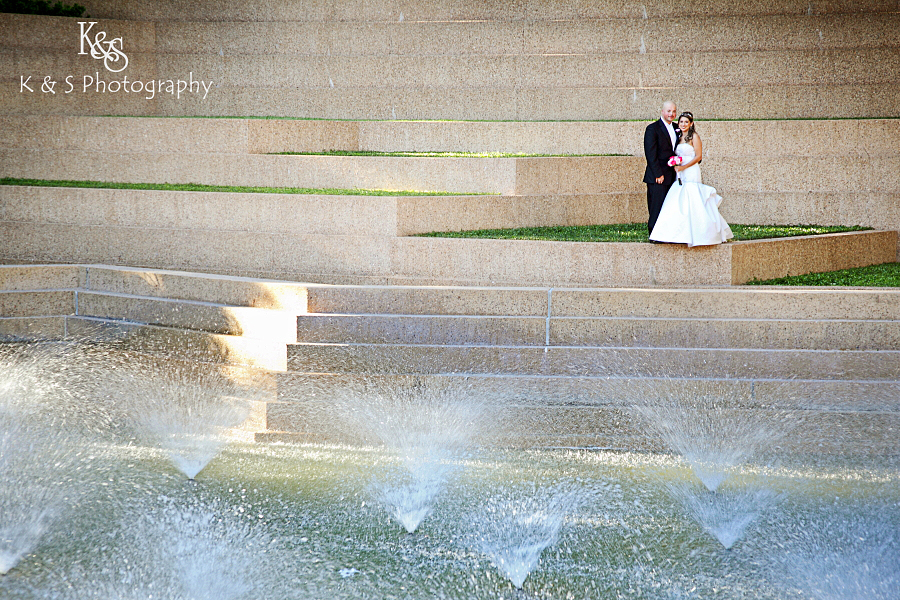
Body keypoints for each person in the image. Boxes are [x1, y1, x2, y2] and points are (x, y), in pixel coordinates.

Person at [649, 112, 733, 246]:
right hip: (680, 172)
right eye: (681, 122)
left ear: (691, 123)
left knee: (692, 198)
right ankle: (678, 232)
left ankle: (701, 233)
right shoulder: (678, 136)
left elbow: (698, 157)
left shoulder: (694, 136)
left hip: (691, 171)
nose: (683, 124)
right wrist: (676, 164)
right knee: (679, 199)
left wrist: (684, 167)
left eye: (686, 122)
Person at [643, 101, 680, 236]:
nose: (672, 114)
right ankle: (654, 235)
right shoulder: (652, 129)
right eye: (669, 111)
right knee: (656, 207)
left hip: (673, 176)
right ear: (662, 111)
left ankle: (667, 234)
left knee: (670, 208)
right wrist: (658, 174)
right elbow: (650, 153)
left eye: (674, 111)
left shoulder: (678, 128)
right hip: (658, 176)